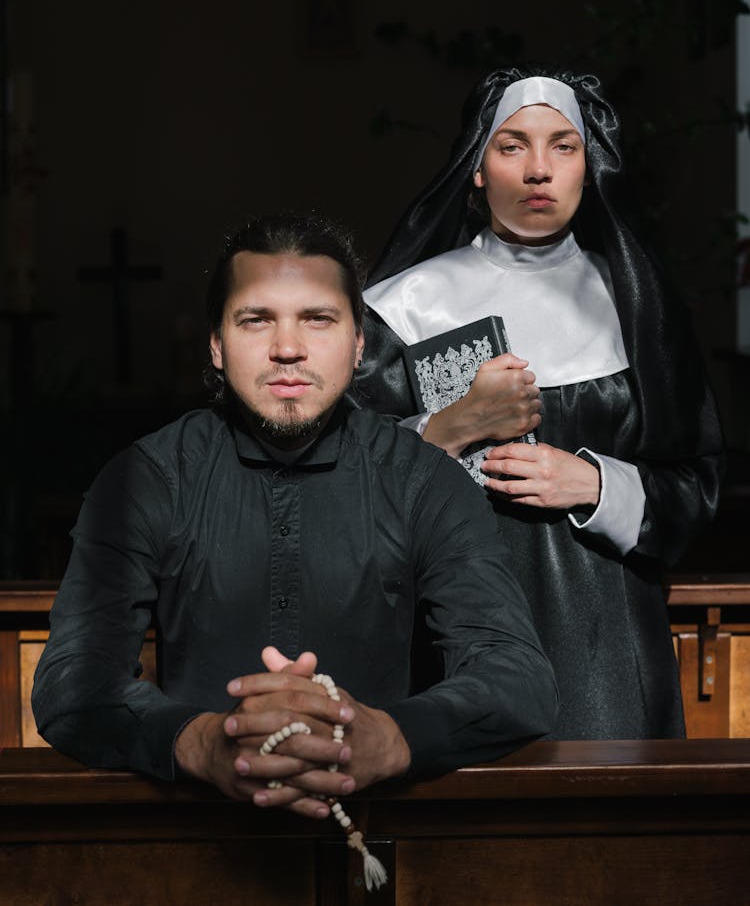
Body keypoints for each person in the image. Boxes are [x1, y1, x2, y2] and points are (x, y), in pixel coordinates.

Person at [32, 213, 557, 826]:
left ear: (359, 343)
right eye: (256, 320)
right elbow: (71, 683)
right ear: (216, 344)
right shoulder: (145, 479)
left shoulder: (424, 481)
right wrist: (200, 742)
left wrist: (390, 738)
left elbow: (517, 677)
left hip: (386, 843)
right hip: (194, 845)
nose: (287, 348)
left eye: (318, 318)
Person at [358, 68, 723, 740]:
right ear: (475, 169)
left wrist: (595, 483)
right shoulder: (404, 308)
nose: (537, 170)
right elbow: (338, 487)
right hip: (446, 644)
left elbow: (697, 487)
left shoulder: (638, 309)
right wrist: (449, 426)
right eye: (511, 146)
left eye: (563, 146)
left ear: (589, 168)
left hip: (607, 652)